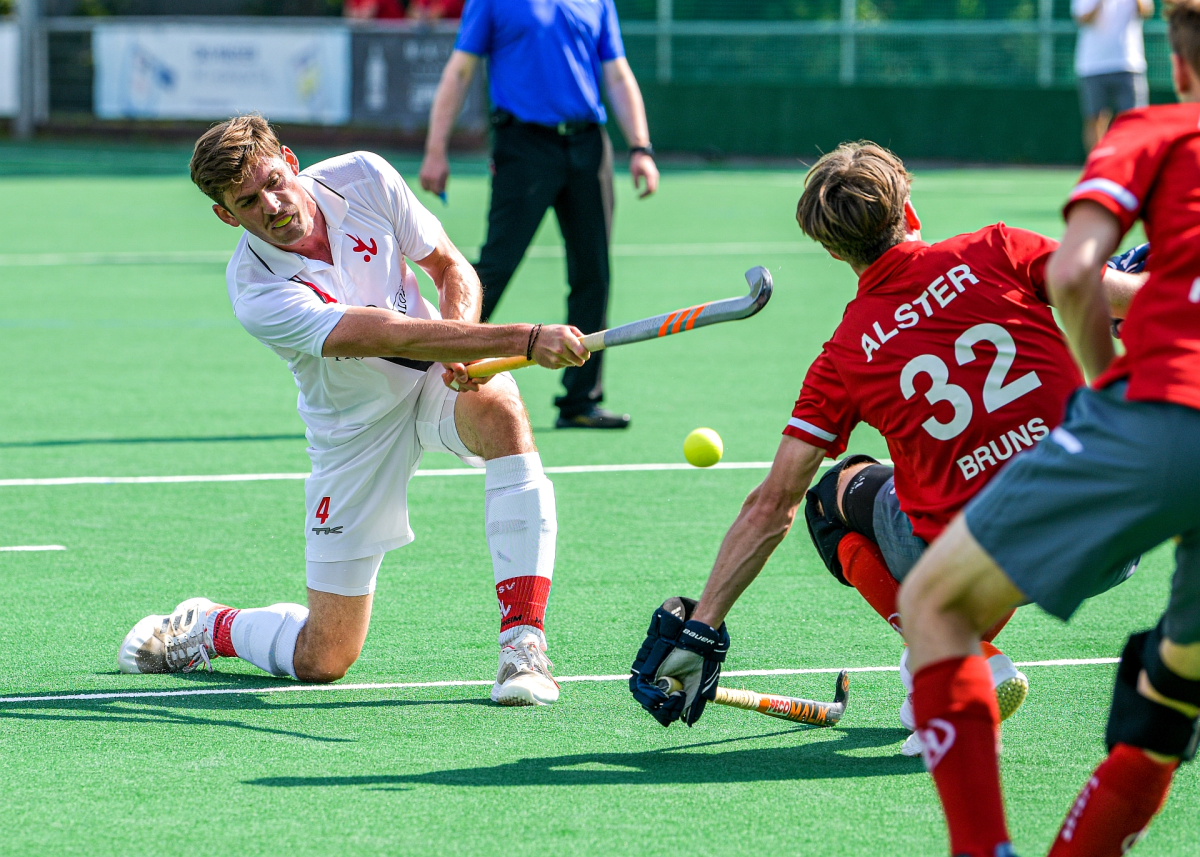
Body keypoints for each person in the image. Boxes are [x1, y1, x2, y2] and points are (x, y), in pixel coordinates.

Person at [626, 142, 1142, 748]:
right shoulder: (999, 248)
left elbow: (773, 506)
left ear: (831, 248)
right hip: (1106, 535)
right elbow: (1142, 303)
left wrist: (702, 628)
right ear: (908, 204)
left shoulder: (843, 355)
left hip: (977, 560)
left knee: (828, 496)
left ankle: (954, 660)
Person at [117, 114, 592, 707]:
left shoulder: (364, 176)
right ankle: (208, 626)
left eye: (273, 182)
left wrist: (465, 343)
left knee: (500, 407)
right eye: (247, 201)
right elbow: (390, 333)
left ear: (289, 160)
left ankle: (522, 649)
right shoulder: (256, 292)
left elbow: (449, 267)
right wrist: (522, 340)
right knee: (325, 657)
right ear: (226, 215)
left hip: (431, 382)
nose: (273, 206)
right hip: (354, 434)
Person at [896, 1, 1200, 853]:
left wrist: (1110, 386)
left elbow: (1073, 273)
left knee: (936, 602)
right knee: (1170, 692)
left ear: (1177, 67)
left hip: (1166, 416)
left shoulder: (1154, 128)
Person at [419, 0, 659, 429]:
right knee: (495, 266)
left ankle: (580, 400)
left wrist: (640, 147)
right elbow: (459, 71)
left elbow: (618, 74)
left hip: (588, 147)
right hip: (523, 147)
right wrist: (436, 150)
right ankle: (439, 367)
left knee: (593, 272)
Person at [1074, 0, 1154, 152]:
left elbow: (1146, 12)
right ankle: (1097, 168)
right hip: (1093, 65)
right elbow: (1082, 19)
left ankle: (1132, 166)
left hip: (1129, 63)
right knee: (1095, 118)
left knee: (1136, 119)